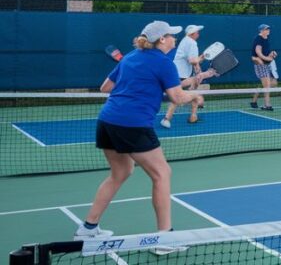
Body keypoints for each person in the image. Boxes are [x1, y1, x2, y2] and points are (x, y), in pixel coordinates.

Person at [76, 21, 215, 246]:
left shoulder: (131, 56)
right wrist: (195, 95)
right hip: (133, 124)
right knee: (162, 173)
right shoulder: (163, 63)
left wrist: (183, 83)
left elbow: (106, 88)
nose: (174, 38)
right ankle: (165, 237)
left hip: (107, 121)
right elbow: (178, 97)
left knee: (120, 172)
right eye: (171, 35)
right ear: (161, 39)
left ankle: (88, 228)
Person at [161, 25, 205, 128]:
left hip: (179, 73)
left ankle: (193, 117)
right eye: (197, 32)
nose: (198, 34)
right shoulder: (192, 43)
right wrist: (201, 58)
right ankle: (166, 118)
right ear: (192, 34)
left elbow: (192, 60)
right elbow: (192, 60)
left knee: (192, 91)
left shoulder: (186, 40)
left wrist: (197, 65)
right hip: (179, 74)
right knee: (178, 96)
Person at [250, 24, 277, 111]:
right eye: (266, 29)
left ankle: (254, 100)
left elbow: (266, 52)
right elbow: (258, 52)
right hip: (260, 64)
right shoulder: (259, 39)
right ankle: (267, 105)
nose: (268, 30)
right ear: (261, 31)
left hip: (267, 64)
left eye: (268, 28)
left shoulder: (266, 39)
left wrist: (272, 53)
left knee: (273, 83)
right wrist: (267, 58)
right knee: (267, 85)